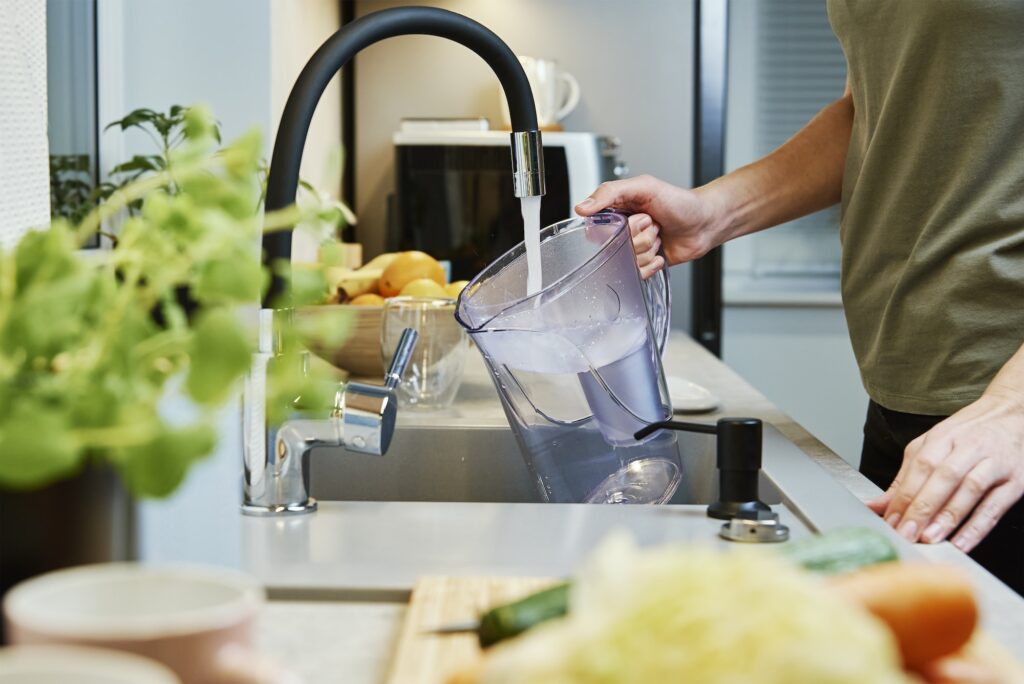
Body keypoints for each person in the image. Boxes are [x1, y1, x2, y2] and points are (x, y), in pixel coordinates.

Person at [576, 0, 1024, 594]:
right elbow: (872, 112)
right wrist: (710, 214)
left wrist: (1013, 411)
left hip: (1003, 423)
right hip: (911, 392)